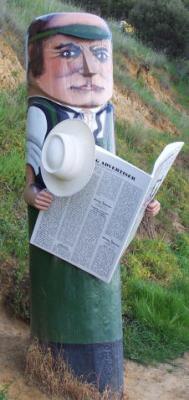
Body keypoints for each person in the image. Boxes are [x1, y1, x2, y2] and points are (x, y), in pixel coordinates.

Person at [24, 11, 160, 397]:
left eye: (100, 54)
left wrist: (142, 201)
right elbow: (28, 184)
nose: (89, 69)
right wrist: (36, 195)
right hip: (57, 237)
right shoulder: (42, 111)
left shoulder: (107, 112)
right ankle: (57, 362)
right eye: (68, 53)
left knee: (100, 289)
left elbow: (113, 171)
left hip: (96, 237)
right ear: (35, 64)